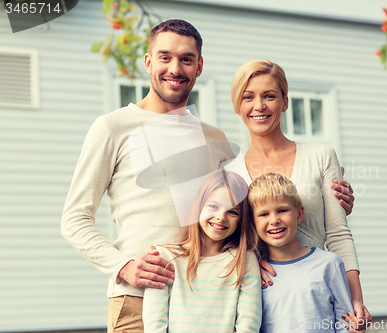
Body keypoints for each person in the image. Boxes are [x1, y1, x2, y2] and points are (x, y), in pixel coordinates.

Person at [61, 20, 354, 332]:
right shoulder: (112, 128)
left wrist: (324, 198)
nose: (175, 68)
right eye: (164, 57)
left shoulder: (216, 140)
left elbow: (248, 206)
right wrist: (125, 267)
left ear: (198, 67)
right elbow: (74, 219)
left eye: (186, 59)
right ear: (148, 62)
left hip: (209, 304)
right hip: (138, 297)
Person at [225, 59, 371, 328]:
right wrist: (247, 264)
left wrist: (355, 300)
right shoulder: (229, 173)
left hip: (315, 298)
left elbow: (338, 233)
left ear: (285, 102)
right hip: (260, 302)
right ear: (237, 105)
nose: (259, 106)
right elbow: (226, 243)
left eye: (269, 96)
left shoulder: (320, 155)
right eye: (249, 97)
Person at [142, 170, 261, 333]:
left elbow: (249, 323)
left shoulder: (244, 260)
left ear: (241, 219)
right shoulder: (164, 258)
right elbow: (155, 325)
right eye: (213, 206)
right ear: (198, 207)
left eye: (232, 211)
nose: (221, 217)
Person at [248, 173, 355, 333]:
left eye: (282, 210)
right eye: (264, 214)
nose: (274, 220)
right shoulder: (255, 274)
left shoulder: (329, 264)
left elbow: (345, 324)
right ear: (252, 222)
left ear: (299, 214)